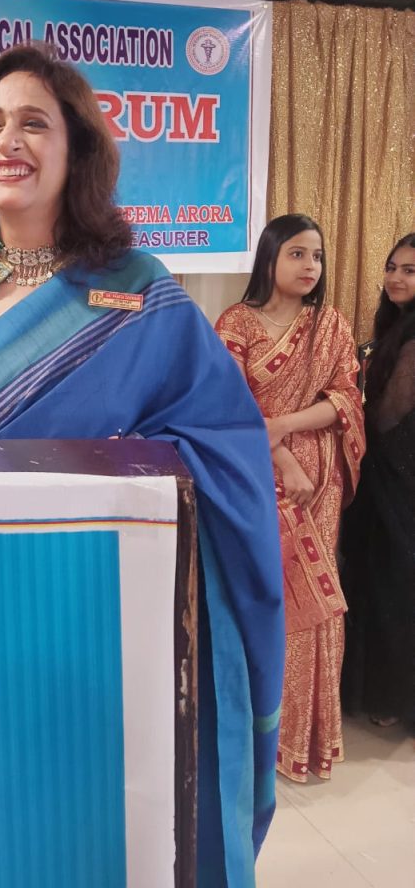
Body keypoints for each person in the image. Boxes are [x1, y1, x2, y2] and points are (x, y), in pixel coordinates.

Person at [0, 43, 284, 886]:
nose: (7, 141)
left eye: (34, 123)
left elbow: (224, 437)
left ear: (76, 149)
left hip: (93, 612)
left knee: (79, 807)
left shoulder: (139, 288)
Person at [215, 214, 365, 783]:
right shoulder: (236, 322)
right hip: (259, 478)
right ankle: (260, 734)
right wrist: (279, 455)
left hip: (320, 481)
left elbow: (346, 399)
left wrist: (284, 425)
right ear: (270, 258)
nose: (310, 266)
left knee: (317, 607)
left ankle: (306, 740)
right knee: (271, 596)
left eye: (317, 256)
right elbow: (229, 409)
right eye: (297, 254)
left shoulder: (330, 323)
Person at [340, 232, 415, 730]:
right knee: (376, 576)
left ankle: (393, 698)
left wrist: (342, 414)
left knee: (394, 582)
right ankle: (380, 694)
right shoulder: (394, 327)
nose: (395, 277)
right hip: (384, 473)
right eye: (391, 267)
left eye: (409, 270)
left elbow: (388, 415)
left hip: (400, 478)